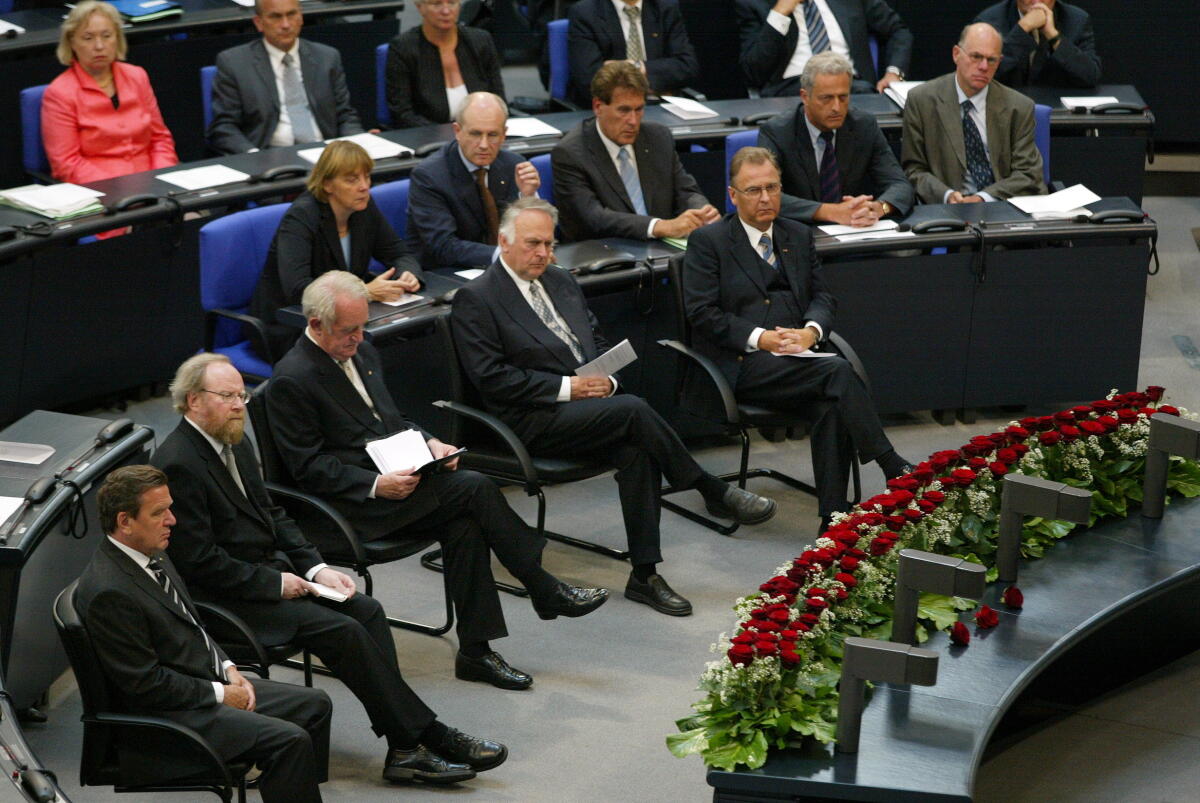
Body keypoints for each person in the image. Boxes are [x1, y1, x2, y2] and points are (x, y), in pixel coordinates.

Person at [152, 353, 509, 785]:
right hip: (231, 600)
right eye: (227, 396)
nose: (240, 405)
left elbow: (273, 515)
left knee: (367, 611)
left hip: (272, 576)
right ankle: (421, 737)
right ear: (193, 401)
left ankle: (405, 745)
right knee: (345, 632)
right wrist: (276, 583)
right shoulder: (177, 463)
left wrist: (317, 567)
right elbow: (198, 563)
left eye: (241, 395)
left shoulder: (234, 440)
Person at [266, 270, 609, 690]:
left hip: (401, 485)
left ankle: (476, 653)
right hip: (350, 506)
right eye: (348, 331)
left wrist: (431, 444)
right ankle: (541, 585)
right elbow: (308, 468)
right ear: (316, 325)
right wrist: (376, 486)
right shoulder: (292, 378)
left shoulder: (364, 352)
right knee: (473, 487)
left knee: (464, 524)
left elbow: (394, 421)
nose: (358, 339)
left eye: (362, 327)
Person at [451, 198, 777, 615]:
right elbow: (493, 380)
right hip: (526, 421)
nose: (543, 254)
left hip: (583, 411)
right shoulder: (477, 298)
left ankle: (645, 574)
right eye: (533, 244)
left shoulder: (561, 280)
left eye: (549, 245)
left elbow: (597, 343)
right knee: (633, 411)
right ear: (504, 241)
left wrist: (607, 378)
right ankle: (709, 489)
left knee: (636, 447)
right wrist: (572, 387)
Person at [682, 147, 912, 531]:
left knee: (830, 403)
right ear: (732, 195)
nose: (766, 198)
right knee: (836, 373)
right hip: (742, 366)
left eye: (772, 187)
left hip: (802, 361)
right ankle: (892, 464)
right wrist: (762, 338)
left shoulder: (797, 234)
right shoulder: (710, 242)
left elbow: (823, 297)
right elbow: (702, 315)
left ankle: (832, 518)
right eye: (753, 190)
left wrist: (810, 332)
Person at [76, 466, 330, 802]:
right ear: (125, 522)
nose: (172, 520)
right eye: (159, 512)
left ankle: (294, 787)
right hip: (163, 721)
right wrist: (223, 694)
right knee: (290, 740)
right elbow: (145, 687)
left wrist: (229, 669)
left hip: (196, 683)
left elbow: (193, 625)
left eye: (170, 508)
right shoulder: (110, 592)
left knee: (315, 705)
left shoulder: (153, 553)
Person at [249, 140, 422, 361]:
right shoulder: (301, 218)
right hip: (294, 326)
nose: (364, 186)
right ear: (327, 184)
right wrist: (364, 293)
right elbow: (298, 289)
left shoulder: (363, 207)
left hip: (346, 324)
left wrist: (408, 274)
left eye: (366, 177)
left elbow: (399, 252)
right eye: (352, 180)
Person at [552, 61, 719, 242]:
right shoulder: (571, 153)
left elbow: (686, 190)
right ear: (598, 107)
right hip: (607, 255)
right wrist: (659, 226)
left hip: (662, 250)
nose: (633, 121)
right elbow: (593, 218)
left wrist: (701, 210)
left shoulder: (657, 137)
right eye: (624, 110)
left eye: (638, 109)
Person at [759, 51, 912, 227]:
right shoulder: (777, 132)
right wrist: (831, 211)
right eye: (826, 98)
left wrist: (878, 208)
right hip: (798, 234)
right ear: (805, 97)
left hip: (852, 234)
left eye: (843, 97)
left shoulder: (863, 126)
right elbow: (766, 196)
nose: (836, 107)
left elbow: (900, 185)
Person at [901, 22, 1045, 205]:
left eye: (991, 60)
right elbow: (913, 170)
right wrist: (947, 195)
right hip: (946, 210)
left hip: (1001, 206)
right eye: (976, 57)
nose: (984, 66)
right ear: (956, 54)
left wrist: (981, 198)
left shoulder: (1019, 107)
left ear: (999, 61)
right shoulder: (921, 101)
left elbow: (1028, 174)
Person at [41, 0, 178, 185]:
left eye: (107, 36)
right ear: (72, 42)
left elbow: (160, 140)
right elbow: (66, 164)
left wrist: (161, 179)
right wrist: (119, 189)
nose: (99, 46)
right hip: (100, 192)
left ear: (118, 38)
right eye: (88, 38)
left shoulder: (136, 76)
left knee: (200, 212)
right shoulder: (60, 93)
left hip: (154, 184)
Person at [207, 0, 363, 154]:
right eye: (276, 17)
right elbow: (224, 126)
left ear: (301, 17)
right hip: (267, 157)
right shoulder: (234, 63)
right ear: (259, 23)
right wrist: (252, 155)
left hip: (326, 157)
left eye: (291, 14)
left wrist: (358, 144)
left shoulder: (327, 57)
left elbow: (345, 115)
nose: (286, 24)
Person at [407, 93, 540, 271]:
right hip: (448, 271)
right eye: (476, 134)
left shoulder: (513, 164)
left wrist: (528, 196)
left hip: (504, 268)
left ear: (504, 135)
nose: (484, 144)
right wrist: (503, 256)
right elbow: (443, 245)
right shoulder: (429, 176)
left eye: (492, 134)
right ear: (457, 131)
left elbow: (529, 232)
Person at [735, 0, 912, 97]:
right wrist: (780, 13)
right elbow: (753, 72)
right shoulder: (754, 4)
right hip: (793, 92)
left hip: (853, 89)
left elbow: (898, 31)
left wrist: (894, 72)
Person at [385, 0, 505, 128]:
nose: (446, 11)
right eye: (436, 4)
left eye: (452, 3)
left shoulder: (481, 41)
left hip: (481, 132)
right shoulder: (403, 48)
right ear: (420, 8)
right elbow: (402, 113)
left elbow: (497, 99)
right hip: (427, 136)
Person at [566, 0, 700, 107]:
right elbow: (588, 77)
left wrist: (636, 67)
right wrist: (656, 77)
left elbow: (687, 66)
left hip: (662, 105)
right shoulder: (585, 12)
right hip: (612, 107)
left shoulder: (666, 7)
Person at [974, 0, 1100, 88]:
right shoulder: (989, 22)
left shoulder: (1076, 20)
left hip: (1059, 116)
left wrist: (1053, 36)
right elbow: (980, 75)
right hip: (1006, 115)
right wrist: (1023, 29)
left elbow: (1090, 76)